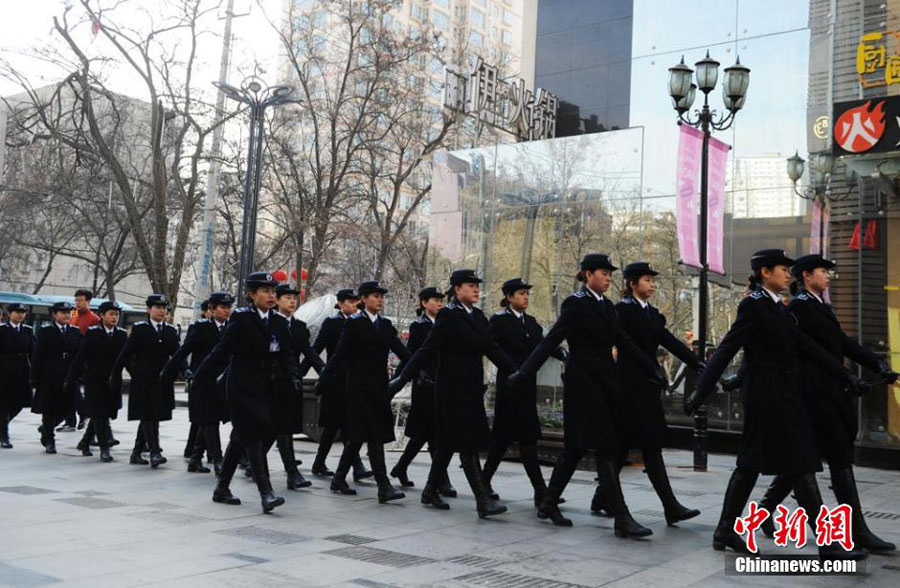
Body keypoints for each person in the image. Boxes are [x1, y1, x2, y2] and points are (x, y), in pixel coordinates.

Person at [686, 249, 869, 561]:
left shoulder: (780, 309)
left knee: (752, 463)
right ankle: (826, 543)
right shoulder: (753, 306)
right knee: (799, 462)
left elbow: (807, 347)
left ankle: (725, 529)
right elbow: (729, 348)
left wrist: (846, 376)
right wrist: (701, 391)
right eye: (783, 269)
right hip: (767, 395)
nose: (788, 274)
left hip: (783, 394)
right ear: (765, 273)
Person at [506, 254, 665, 536]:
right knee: (603, 447)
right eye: (603, 272)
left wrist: (651, 367)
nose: (608, 277)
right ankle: (622, 518)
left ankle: (548, 501)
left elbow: (623, 341)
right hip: (583, 382)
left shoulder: (607, 307)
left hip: (606, 382)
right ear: (587, 274)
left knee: (576, 448)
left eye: (610, 274)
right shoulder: (576, 304)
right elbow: (553, 338)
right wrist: (524, 373)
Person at [752, 254, 899, 552]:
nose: (829, 276)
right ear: (806, 276)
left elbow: (841, 343)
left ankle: (764, 512)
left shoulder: (819, 306)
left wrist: (877, 365)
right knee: (839, 459)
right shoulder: (800, 308)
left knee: (806, 460)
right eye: (823, 271)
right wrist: (847, 377)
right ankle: (857, 531)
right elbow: (805, 352)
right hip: (815, 394)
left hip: (830, 391)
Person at [389, 269, 518, 518]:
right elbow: (426, 350)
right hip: (450, 390)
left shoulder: (479, 317)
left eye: (477, 286)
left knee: (447, 444)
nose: (476, 289)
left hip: (471, 389)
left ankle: (429, 491)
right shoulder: (448, 316)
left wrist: (516, 372)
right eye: (470, 286)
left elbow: (491, 348)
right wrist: (402, 378)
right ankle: (482, 500)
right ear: (457, 290)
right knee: (467, 444)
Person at [589, 261, 705, 526]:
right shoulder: (622, 311)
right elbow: (624, 344)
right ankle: (669, 506)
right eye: (647, 280)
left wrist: (695, 360)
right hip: (629, 384)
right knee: (643, 444)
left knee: (630, 445)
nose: (652, 285)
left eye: (653, 281)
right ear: (632, 284)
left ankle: (603, 496)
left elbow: (668, 340)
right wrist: (651, 367)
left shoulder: (652, 313)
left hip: (647, 385)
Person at [195, 272, 302, 513]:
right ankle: (266, 492)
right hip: (241, 386)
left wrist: (293, 377)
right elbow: (222, 351)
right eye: (265, 291)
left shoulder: (278, 322)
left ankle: (222, 488)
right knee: (253, 433)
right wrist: (202, 376)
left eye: (273, 291)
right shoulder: (242, 319)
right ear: (252, 295)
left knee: (240, 437)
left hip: (266, 386)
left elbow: (286, 354)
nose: (271, 295)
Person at [318, 281, 410, 503]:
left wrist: (406, 374)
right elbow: (339, 354)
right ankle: (383, 486)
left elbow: (403, 353)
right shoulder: (355, 324)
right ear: (363, 299)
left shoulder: (386, 325)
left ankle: (339, 479)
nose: (380, 299)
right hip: (358, 388)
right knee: (373, 435)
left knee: (360, 436)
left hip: (379, 388)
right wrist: (324, 379)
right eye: (375, 296)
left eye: (381, 296)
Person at [481, 278, 567, 508]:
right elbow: (491, 347)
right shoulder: (499, 321)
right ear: (509, 297)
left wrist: (563, 354)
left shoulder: (531, 322)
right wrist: (511, 369)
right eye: (521, 294)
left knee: (524, 438)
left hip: (527, 385)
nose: (526, 297)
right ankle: (537, 491)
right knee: (505, 438)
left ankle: (538, 491)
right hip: (509, 385)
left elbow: (544, 345)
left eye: (527, 294)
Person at [389, 287, 456, 498]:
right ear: (424, 303)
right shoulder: (419, 326)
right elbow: (412, 355)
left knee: (422, 433)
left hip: (442, 383)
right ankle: (441, 481)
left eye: (441, 300)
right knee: (435, 433)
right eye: (435, 300)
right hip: (424, 385)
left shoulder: (446, 323)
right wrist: (401, 380)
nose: (439, 304)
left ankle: (401, 467)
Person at [302, 288, 373, 482]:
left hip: (354, 380)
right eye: (350, 302)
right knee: (334, 425)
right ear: (340, 304)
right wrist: (311, 372)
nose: (354, 305)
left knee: (347, 424)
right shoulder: (332, 323)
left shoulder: (361, 323)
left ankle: (331, 464)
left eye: (356, 302)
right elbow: (316, 349)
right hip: (335, 380)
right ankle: (340, 464)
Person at [161, 292, 234, 475]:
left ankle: (195, 459)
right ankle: (218, 459)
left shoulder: (231, 328)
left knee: (209, 420)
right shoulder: (200, 328)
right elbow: (184, 350)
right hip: (202, 382)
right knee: (210, 421)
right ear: (212, 309)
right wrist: (169, 371)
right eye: (223, 307)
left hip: (222, 383)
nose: (227, 311)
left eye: (228, 307)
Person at [110, 294, 180, 468]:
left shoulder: (170, 331)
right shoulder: (140, 329)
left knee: (151, 415)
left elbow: (178, 354)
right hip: (144, 381)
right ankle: (155, 452)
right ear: (149, 310)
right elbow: (126, 354)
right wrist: (118, 373)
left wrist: (185, 371)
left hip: (161, 381)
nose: (162, 311)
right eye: (157, 307)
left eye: (164, 308)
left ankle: (136, 452)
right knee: (150, 416)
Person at [267, 283, 325, 490]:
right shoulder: (270, 323)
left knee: (281, 427)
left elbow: (309, 352)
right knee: (275, 428)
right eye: (288, 297)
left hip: (291, 384)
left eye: (295, 298)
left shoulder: (299, 326)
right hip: (270, 383)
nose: (292, 301)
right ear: (277, 300)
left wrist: (324, 371)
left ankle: (253, 461)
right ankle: (291, 472)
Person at [64, 301, 127, 462]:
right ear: (102, 315)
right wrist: (70, 379)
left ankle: (85, 442)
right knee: (100, 414)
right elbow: (80, 358)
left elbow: (126, 358)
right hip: (95, 380)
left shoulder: (121, 334)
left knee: (105, 413)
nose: (114, 318)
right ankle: (104, 448)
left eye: (117, 314)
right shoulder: (93, 333)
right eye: (111, 314)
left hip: (113, 381)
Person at [31, 301, 83, 454]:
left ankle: (46, 430)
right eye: (62, 312)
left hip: (69, 375)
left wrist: (80, 373)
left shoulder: (75, 332)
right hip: (50, 375)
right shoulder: (46, 331)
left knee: (68, 408)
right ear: (54, 314)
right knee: (49, 409)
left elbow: (80, 355)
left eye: (69, 312)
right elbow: (38, 355)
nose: (67, 315)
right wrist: (34, 377)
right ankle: (49, 440)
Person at [64, 289, 100, 432]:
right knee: (69, 390)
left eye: (81, 300)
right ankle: (71, 420)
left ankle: (82, 414)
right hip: (71, 359)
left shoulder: (94, 319)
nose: (78, 303)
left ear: (88, 301)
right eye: (76, 300)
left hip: (85, 360)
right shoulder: (74, 317)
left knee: (73, 388)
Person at [0, 303, 34, 449]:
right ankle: (4, 435)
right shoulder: (2, 330)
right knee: (3, 404)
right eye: (17, 312)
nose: (20, 315)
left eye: (23, 312)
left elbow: (33, 352)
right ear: (9, 314)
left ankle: (3, 425)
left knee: (20, 403)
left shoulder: (27, 330)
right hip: (4, 368)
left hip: (22, 369)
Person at [183, 299, 213, 459]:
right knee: (199, 417)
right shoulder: (198, 327)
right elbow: (187, 348)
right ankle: (193, 450)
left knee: (206, 417)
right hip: (198, 373)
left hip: (213, 376)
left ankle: (200, 451)